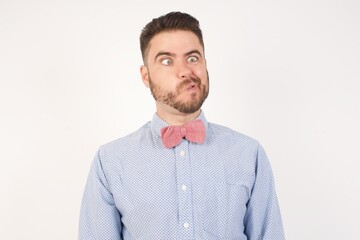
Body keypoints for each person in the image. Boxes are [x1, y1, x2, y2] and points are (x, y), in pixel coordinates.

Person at [79, 11, 285, 240]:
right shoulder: (110, 162)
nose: (185, 71)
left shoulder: (249, 154)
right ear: (145, 76)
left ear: (205, 64)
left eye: (193, 58)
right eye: (167, 61)